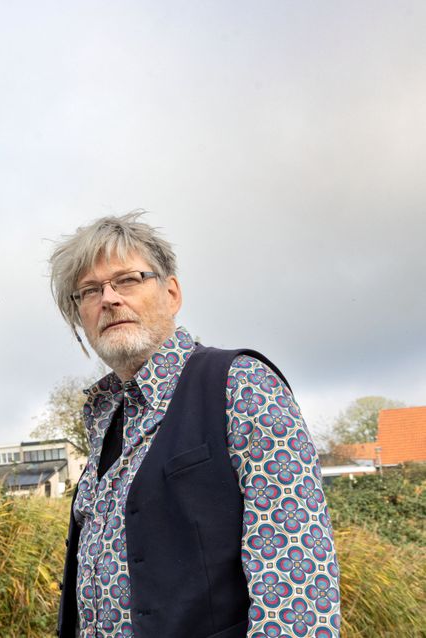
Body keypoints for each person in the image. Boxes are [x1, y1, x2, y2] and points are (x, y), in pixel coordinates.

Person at [50, 213, 340, 638]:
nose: (109, 299)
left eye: (127, 279)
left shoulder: (241, 385)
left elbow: (298, 584)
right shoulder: (104, 416)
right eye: (89, 290)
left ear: (171, 292)